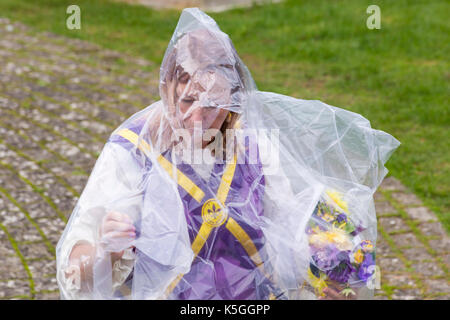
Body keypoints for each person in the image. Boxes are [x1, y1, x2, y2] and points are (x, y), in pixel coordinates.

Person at [56, 8, 399, 300]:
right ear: (165, 88)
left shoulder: (252, 145)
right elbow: (76, 273)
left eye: (214, 105)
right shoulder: (133, 151)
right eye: (188, 100)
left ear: (235, 101)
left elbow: (286, 231)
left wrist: (330, 260)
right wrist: (107, 251)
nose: (198, 118)